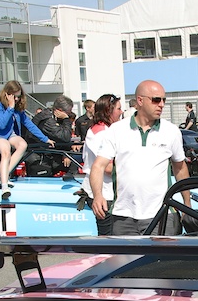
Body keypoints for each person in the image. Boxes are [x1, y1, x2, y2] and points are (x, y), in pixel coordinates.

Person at [89, 80, 191, 236]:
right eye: (156, 99)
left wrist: (187, 205)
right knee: (123, 261)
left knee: (163, 261)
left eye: (164, 100)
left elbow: (180, 168)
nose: (162, 104)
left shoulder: (171, 131)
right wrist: (97, 195)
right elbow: (98, 166)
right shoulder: (117, 130)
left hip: (162, 215)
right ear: (140, 100)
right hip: (123, 216)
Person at [0, 80, 54, 196]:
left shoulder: (18, 109)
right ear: (7, 95)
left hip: (10, 135)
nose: (17, 99)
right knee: (5, 149)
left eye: (19, 96)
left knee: (22, 144)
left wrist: (45, 139)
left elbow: (30, 125)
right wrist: (10, 108)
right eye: (14, 96)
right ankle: (4, 186)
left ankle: (2, 176)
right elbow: (1, 125)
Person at [81, 94, 122, 235]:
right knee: (109, 238)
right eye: (118, 109)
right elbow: (108, 168)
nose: (121, 112)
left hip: (106, 190)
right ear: (108, 111)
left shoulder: (103, 130)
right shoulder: (101, 133)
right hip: (104, 192)